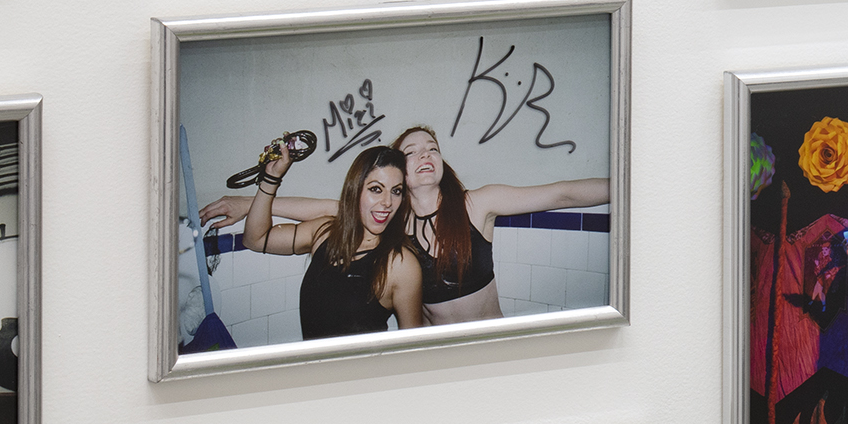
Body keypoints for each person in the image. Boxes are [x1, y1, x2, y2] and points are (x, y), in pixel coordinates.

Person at [215, 125, 607, 329]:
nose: (426, 154)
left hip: (489, 347)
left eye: (433, 148)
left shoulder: (477, 204)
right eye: (413, 151)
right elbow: (328, 208)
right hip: (436, 355)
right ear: (398, 170)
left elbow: (562, 194)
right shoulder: (390, 217)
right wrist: (247, 204)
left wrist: (627, 184)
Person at [236, 138, 424, 341]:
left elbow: (414, 346)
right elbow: (255, 239)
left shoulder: (400, 264)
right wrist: (271, 178)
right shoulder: (324, 233)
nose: (387, 202)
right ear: (355, 189)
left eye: (396, 191)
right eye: (376, 189)